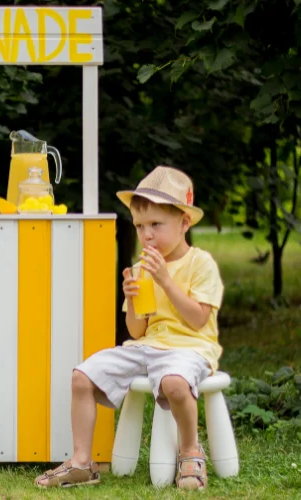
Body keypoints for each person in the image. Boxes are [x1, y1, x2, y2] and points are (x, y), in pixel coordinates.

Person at [35, 166, 224, 491]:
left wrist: (165, 279)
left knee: (175, 384)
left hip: (191, 348)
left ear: (184, 223)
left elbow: (198, 320)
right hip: (148, 347)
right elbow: (136, 332)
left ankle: (191, 449)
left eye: (155, 225)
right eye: (139, 226)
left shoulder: (200, 263)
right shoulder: (142, 268)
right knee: (82, 377)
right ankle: (82, 461)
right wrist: (132, 299)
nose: (146, 234)